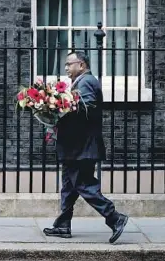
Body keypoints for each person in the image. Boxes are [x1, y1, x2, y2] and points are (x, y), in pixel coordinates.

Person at [43, 51, 128, 244]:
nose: (66, 68)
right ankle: (63, 225)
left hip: (81, 147)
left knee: (82, 183)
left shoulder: (86, 81)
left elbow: (86, 107)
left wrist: (58, 109)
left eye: (69, 64)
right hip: (77, 147)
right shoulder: (81, 82)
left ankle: (115, 217)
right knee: (68, 185)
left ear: (81, 65)